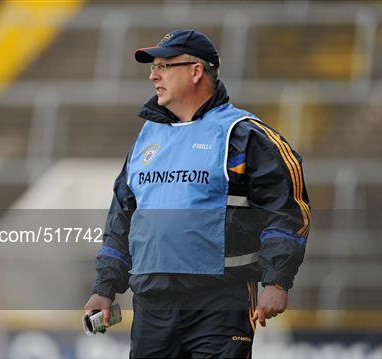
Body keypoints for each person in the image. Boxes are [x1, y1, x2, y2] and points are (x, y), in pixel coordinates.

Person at [84, 29, 311, 358]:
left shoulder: (244, 134)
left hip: (219, 303)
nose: (153, 75)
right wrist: (104, 288)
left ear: (196, 71)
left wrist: (276, 282)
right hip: (152, 306)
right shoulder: (147, 138)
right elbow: (122, 219)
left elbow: (286, 211)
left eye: (164, 65)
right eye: (152, 67)